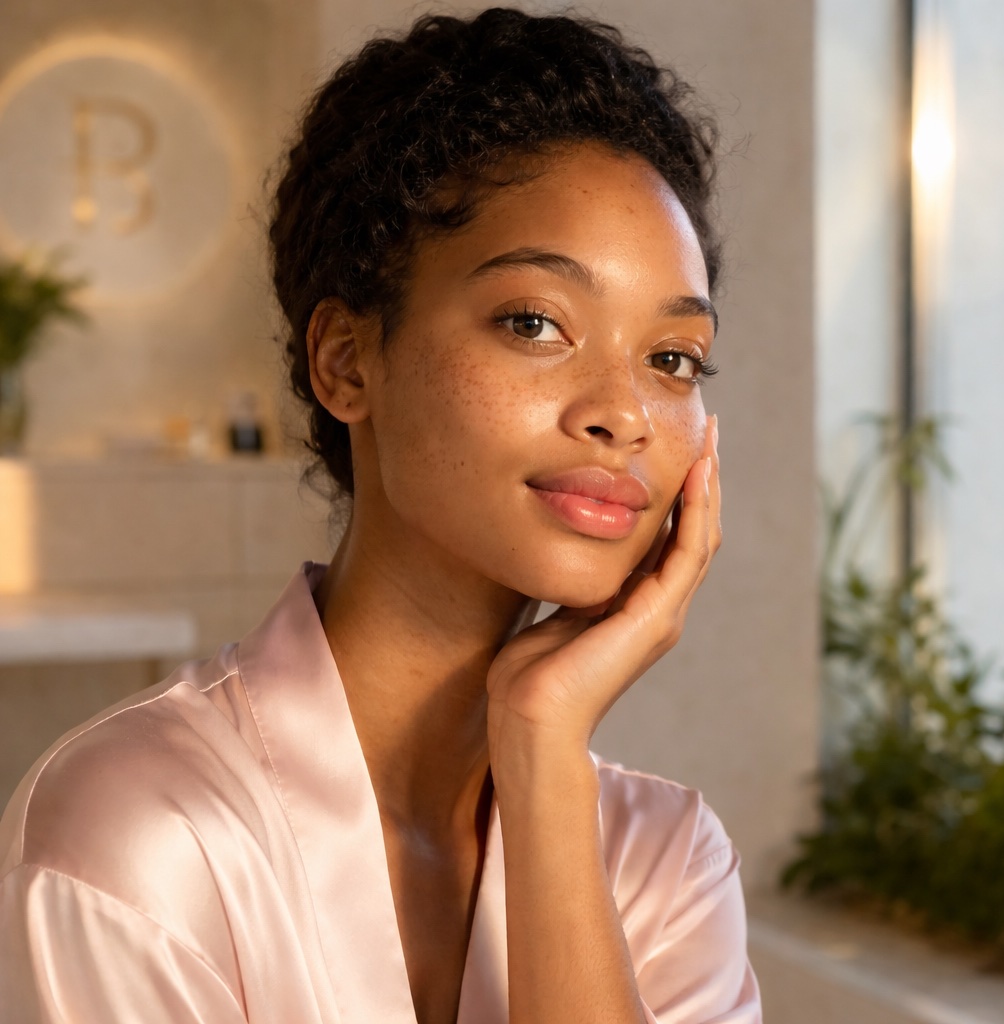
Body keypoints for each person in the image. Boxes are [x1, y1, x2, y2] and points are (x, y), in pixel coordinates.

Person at [0, 10, 759, 1023]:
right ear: (347, 361)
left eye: (673, 358)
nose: (624, 412)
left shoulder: (664, 861)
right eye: (535, 322)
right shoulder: (134, 834)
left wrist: (541, 748)